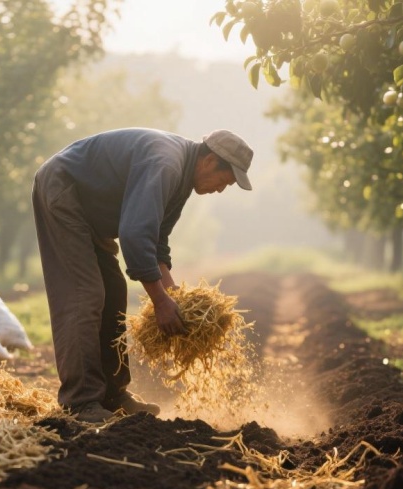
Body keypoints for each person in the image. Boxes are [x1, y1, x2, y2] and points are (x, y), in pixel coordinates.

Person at [32, 127, 253, 423]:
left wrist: (174, 295)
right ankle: (80, 401)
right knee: (85, 295)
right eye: (224, 181)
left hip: (89, 210)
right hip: (64, 190)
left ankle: (112, 394)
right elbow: (135, 235)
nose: (220, 189)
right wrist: (160, 302)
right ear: (210, 161)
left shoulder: (183, 176)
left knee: (113, 290)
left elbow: (157, 238)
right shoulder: (166, 164)